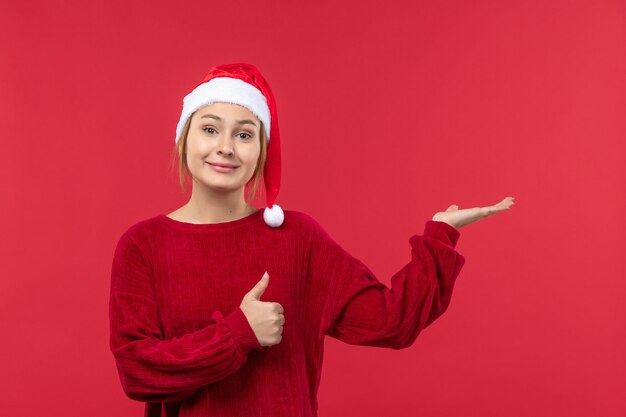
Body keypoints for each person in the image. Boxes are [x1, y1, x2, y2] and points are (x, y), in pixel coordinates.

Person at [108, 62, 515, 417]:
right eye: (210, 128)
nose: (225, 147)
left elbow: (392, 322)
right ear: (184, 139)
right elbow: (138, 370)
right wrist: (239, 334)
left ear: (262, 151)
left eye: (245, 135)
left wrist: (441, 234)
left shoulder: (297, 239)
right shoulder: (143, 245)